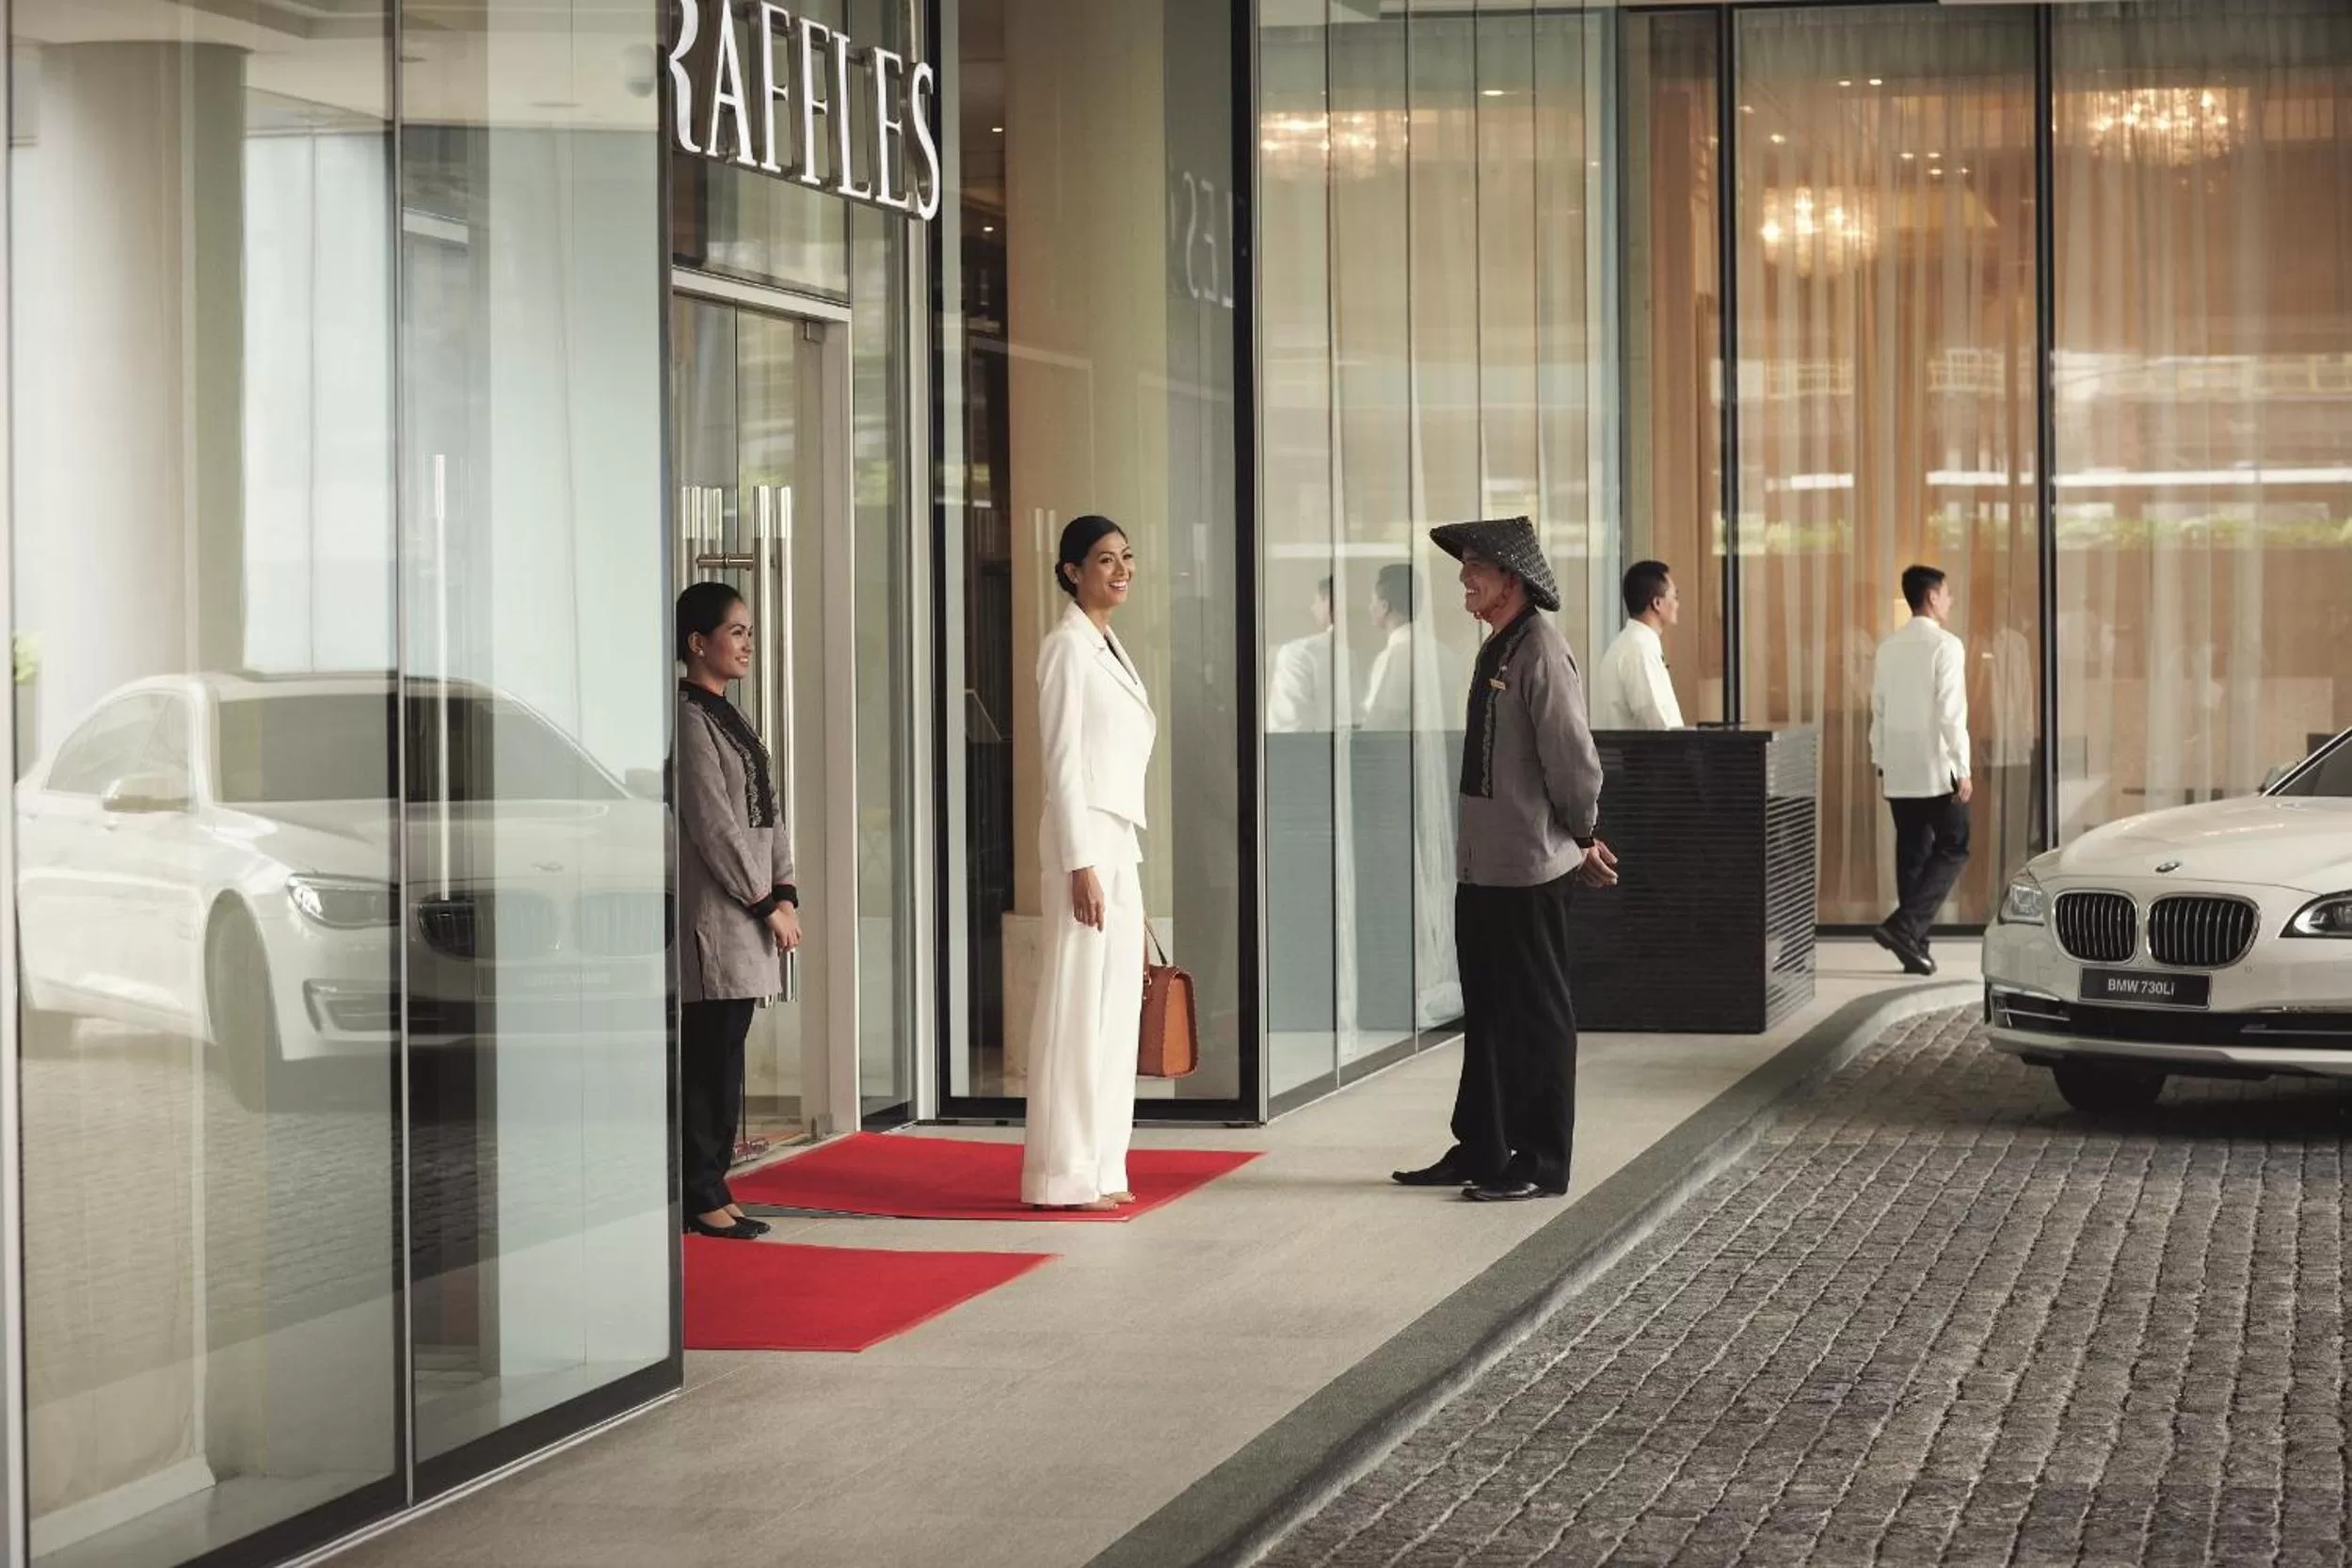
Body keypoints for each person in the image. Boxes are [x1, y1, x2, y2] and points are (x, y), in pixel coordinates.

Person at [1393, 517, 1617, 1204]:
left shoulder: (1540, 651)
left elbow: (1572, 761)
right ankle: (1482, 1146)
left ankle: (1540, 1160)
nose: (1463, 580)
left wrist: (1582, 835)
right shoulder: (1497, 647)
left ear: (1510, 580)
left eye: (1474, 570)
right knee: (1487, 1012)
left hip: (1527, 868)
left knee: (1536, 1017)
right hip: (1484, 867)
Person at [1024, 515, 1157, 1211]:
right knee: (1078, 1005)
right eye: (1105, 559)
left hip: (1118, 837)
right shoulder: (1065, 648)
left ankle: (1104, 1166)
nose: (1121, 569)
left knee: (1113, 1012)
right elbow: (1062, 764)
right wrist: (1080, 863)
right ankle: (1061, 1173)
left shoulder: (1108, 645)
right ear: (1073, 570)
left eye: (1126, 557)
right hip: (1085, 842)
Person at [674, 580, 801, 1241]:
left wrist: (786, 889)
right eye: (736, 631)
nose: (747, 643)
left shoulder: (734, 717)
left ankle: (713, 1187)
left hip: (753, 910)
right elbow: (714, 825)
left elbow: (768, 812)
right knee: (708, 1060)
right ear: (699, 644)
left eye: (750, 631)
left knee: (727, 1056)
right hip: (719, 915)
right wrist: (763, 901)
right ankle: (700, 1193)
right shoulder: (689, 719)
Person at [1870, 563, 1971, 977]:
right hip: (1936, 767)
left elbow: (1877, 708)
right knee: (1955, 844)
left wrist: (1880, 757)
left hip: (1897, 766)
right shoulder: (1946, 645)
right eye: (1946, 593)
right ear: (1931, 597)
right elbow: (1951, 711)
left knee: (1912, 853)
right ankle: (1906, 926)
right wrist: (1962, 766)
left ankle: (1913, 947)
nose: (1950, 601)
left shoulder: (1888, 647)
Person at [1591, 559, 1686, 730]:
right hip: (1649, 756)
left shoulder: (1630, 643)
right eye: (1675, 597)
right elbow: (1655, 723)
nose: (1677, 604)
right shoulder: (1640, 649)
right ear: (1657, 603)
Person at [1267, 576, 1337, 733]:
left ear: (1328, 602)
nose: (1313, 608)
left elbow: (1288, 729)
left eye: (1316, 601)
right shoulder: (1361, 651)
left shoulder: (1299, 654)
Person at [1359, 563, 1418, 730]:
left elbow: (1382, 721)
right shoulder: (1443, 653)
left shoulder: (1396, 655)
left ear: (1385, 607)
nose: (1370, 608)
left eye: (1373, 601)